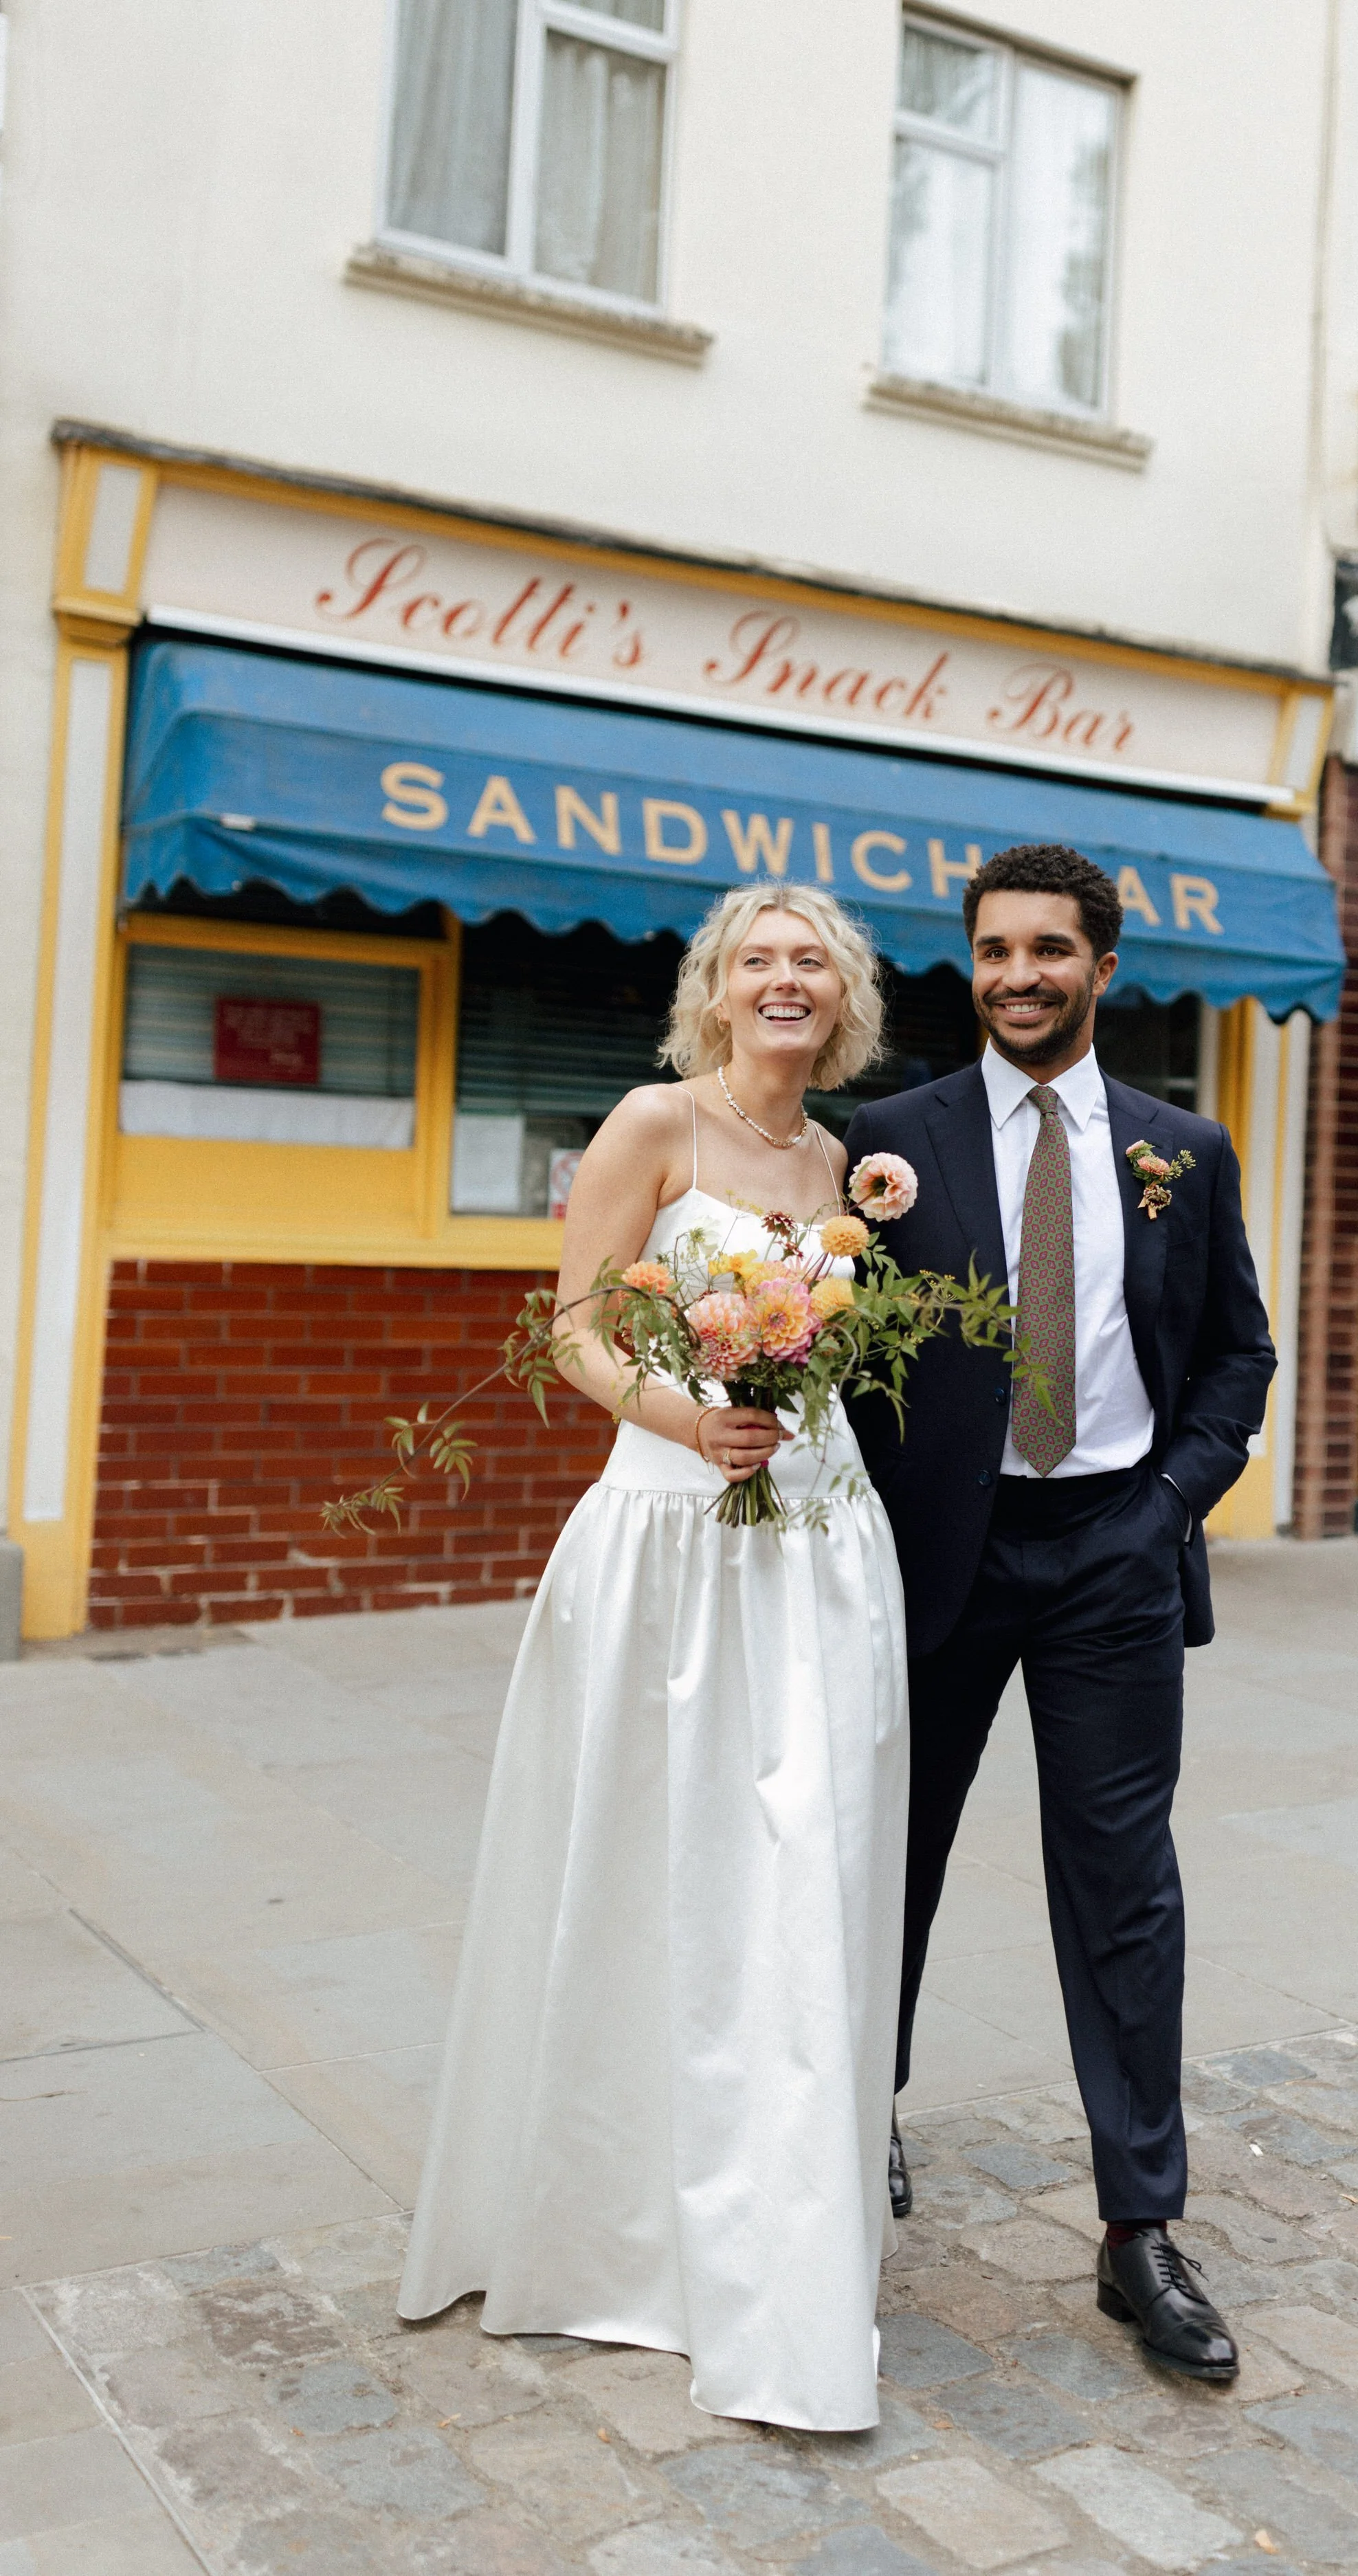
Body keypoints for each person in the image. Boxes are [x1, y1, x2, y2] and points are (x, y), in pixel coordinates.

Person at [399, 885, 908, 2434]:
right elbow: (569, 1328)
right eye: (755, 959)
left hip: (816, 1551)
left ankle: (779, 2243)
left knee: (797, 1886)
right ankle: (620, 2230)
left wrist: (869, 1207)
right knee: (636, 1879)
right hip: (666, 1544)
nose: (782, 979)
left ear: (842, 998)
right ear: (714, 988)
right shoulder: (651, 1125)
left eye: (808, 961)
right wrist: (688, 1416)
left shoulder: (842, 1162)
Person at [843, 842, 1276, 2387]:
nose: (1016, 972)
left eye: (1047, 948)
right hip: (930, 1559)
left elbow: (1238, 1358)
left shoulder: (1181, 1147)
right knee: (882, 1857)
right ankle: (848, 2128)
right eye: (992, 948)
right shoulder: (881, 1141)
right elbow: (827, 1339)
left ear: (1102, 964)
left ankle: (1135, 2226)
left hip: (1108, 1554)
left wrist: (1156, 1519)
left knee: (1121, 1890)